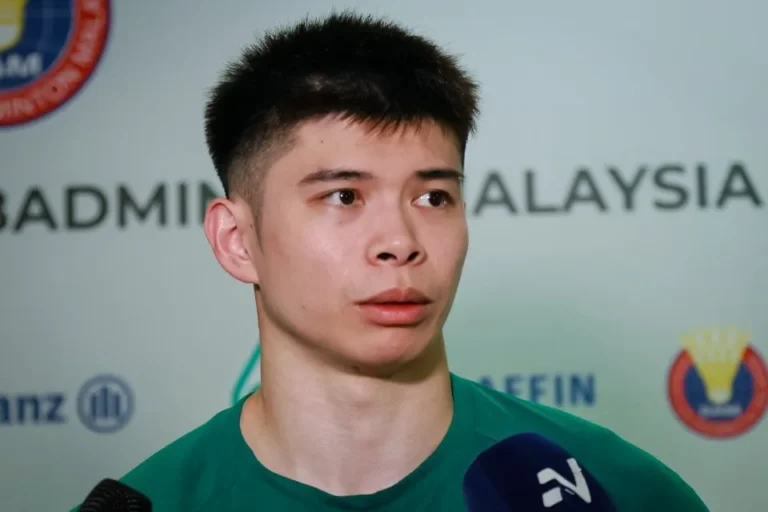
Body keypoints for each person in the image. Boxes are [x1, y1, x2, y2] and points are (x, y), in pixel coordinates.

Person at [71, 11, 709, 512]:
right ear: (237, 240)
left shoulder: (619, 491)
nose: (400, 241)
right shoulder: (152, 503)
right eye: (344, 196)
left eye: (433, 197)